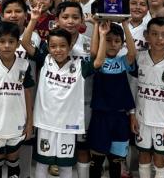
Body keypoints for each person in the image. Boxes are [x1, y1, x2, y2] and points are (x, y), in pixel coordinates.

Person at [20, 27, 105, 178]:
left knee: (65, 166)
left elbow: (98, 62)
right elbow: (25, 43)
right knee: (42, 164)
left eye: (62, 46)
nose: (58, 50)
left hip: (68, 126)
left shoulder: (79, 66)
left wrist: (103, 35)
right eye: (53, 46)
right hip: (45, 123)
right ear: (48, 47)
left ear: (70, 46)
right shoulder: (45, 60)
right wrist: (33, 20)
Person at [0, 22, 35, 178]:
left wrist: (29, 122)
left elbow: (27, 93)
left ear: (18, 43)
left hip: (18, 122)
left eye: (11, 42)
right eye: (2, 41)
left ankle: (14, 172)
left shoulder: (24, 65)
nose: (6, 46)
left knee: (13, 159)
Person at [131, 17, 164, 178]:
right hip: (141, 119)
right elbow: (133, 88)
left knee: (160, 158)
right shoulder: (139, 58)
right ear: (147, 36)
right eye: (154, 34)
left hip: (163, 122)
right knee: (143, 156)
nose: (159, 39)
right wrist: (132, 115)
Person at [86, 21, 137, 178]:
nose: (113, 44)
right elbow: (96, 54)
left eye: (117, 41)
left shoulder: (123, 62)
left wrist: (125, 25)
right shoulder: (98, 62)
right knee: (97, 160)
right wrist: (100, 32)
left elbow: (132, 53)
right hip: (101, 116)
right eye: (109, 40)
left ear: (122, 44)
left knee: (116, 161)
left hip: (121, 117)